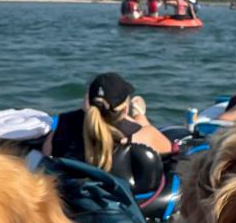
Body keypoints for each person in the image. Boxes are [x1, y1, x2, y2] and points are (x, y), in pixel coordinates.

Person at [45, 72, 173, 172]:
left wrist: (81, 113)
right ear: (124, 110)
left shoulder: (64, 122)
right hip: (118, 199)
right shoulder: (138, 133)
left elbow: (46, 152)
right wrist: (137, 119)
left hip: (73, 198)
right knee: (141, 122)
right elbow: (170, 148)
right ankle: (138, 113)